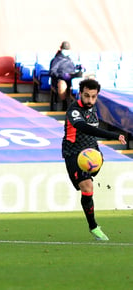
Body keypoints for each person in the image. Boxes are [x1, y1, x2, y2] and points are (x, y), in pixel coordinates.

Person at [62, 78, 126, 241]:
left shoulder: (93, 109)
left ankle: (93, 224)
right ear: (80, 94)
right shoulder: (74, 110)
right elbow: (84, 127)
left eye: (93, 96)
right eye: (86, 96)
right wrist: (113, 136)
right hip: (75, 153)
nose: (90, 100)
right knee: (87, 186)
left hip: (93, 153)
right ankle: (94, 227)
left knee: (88, 185)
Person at [49, 41, 83, 110]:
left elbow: (72, 68)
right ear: (61, 49)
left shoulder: (69, 59)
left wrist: (78, 67)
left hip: (71, 77)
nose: (66, 51)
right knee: (62, 84)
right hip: (61, 79)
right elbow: (52, 72)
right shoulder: (56, 59)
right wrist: (61, 75)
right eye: (65, 49)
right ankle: (64, 103)